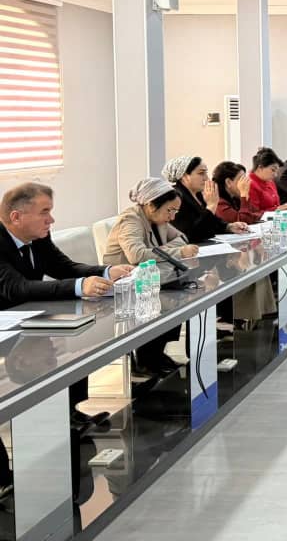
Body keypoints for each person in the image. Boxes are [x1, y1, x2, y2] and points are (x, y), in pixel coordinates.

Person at [0, 182, 133, 431]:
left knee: (76, 347)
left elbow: (64, 267)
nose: (51, 220)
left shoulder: (38, 237)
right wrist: (80, 286)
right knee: (52, 356)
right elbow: (16, 288)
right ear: (16, 217)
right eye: (44, 212)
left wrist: (106, 271)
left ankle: (71, 414)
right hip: (6, 330)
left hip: (31, 317)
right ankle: (48, 424)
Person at [102, 177, 199, 374]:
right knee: (171, 298)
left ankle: (156, 353)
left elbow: (182, 238)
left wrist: (166, 249)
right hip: (125, 284)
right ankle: (146, 359)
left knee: (181, 294)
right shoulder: (131, 220)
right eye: (169, 210)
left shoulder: (157, 219)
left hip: (152, 278)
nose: (172, 217)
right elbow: (136, 255)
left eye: (175, 211)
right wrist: (177, 252)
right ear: (151, 205)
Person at [211, 161, 277, 324]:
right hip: (224, 254)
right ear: (228, 182)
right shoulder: (219, 202)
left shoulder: (233, 198)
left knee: (264, 262)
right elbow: (243, 220)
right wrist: (244, 195)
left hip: (239, 247)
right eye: (241, 179)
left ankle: (264, 310)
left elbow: (252, 214)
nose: (246, 182)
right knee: (251, 268)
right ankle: (241, 314)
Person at [162, 155, 247, 243]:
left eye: (206, 173)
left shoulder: (198, 194)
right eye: (201, 173)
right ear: (185, 176)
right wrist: (211, 206)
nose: (206, 178)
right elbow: (192, 234)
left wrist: (228, 227)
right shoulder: (175, 197)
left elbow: (212, 222)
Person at [248, 147, 287, 214]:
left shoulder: (270, 182)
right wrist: (277, 209)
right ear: (260, 167)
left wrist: (284, 207)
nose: (275, 175)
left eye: (277, 171)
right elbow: (253, 214)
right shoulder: (250, 185)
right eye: (273, 170)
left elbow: (277, 206)